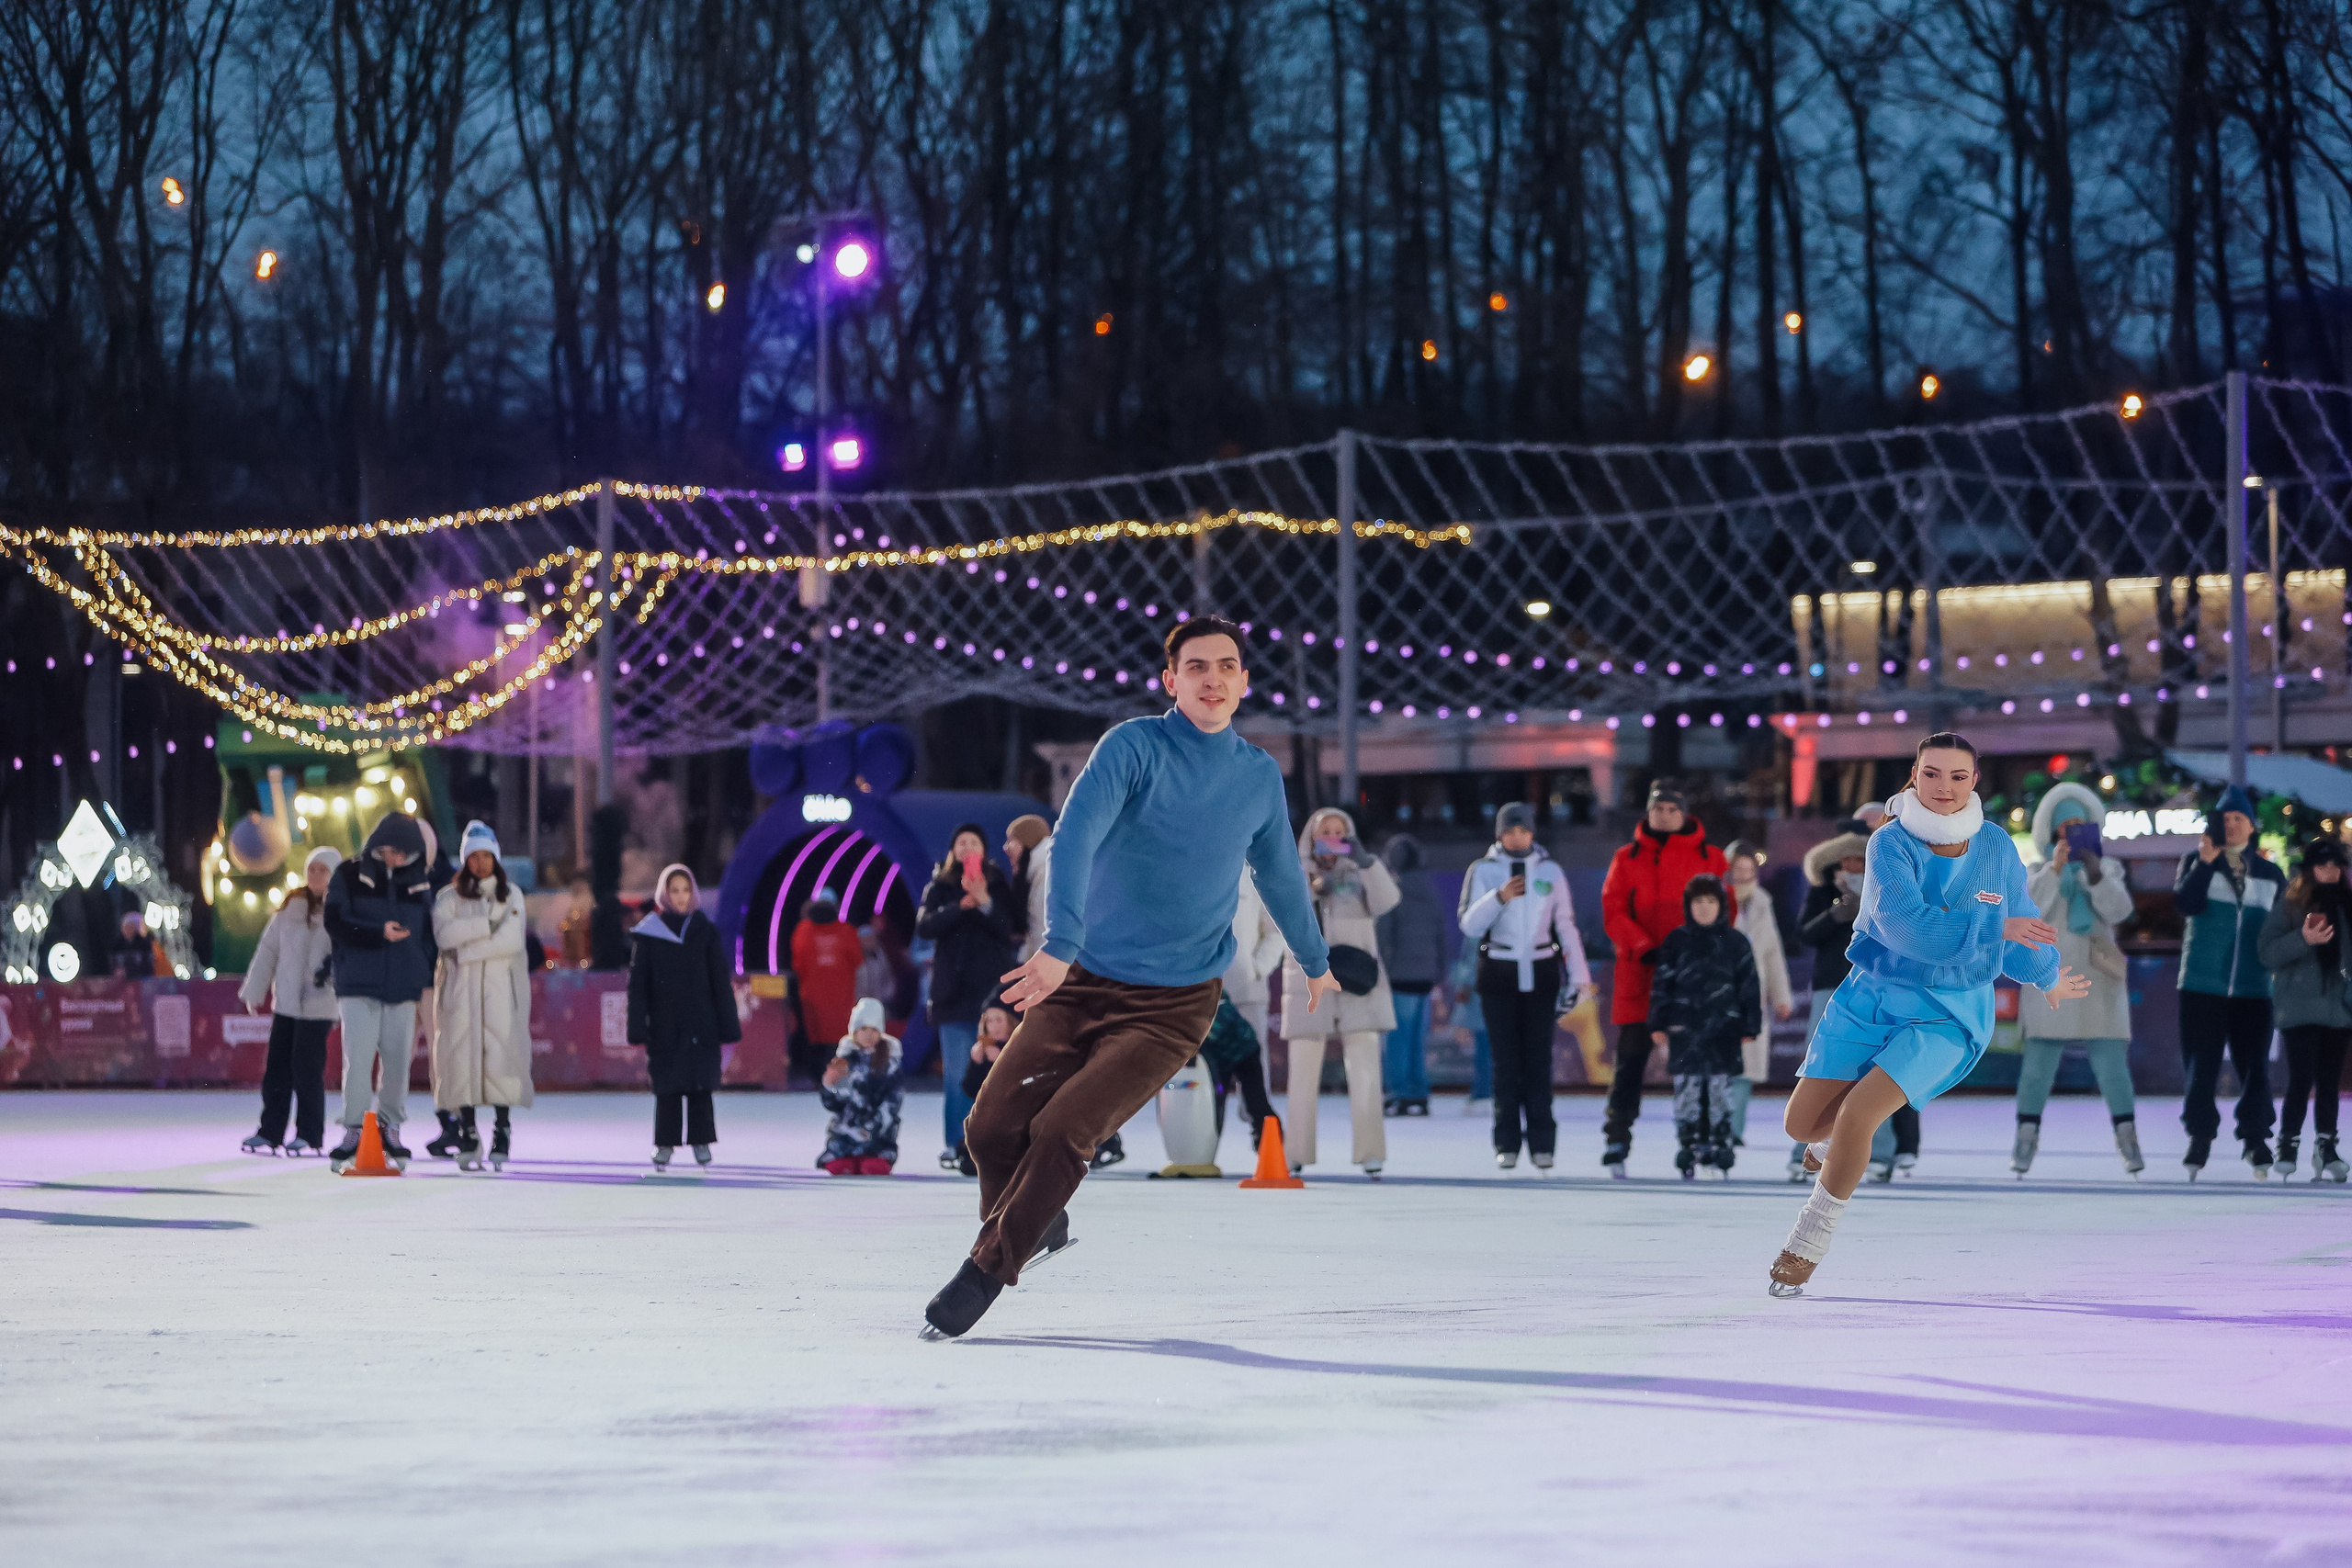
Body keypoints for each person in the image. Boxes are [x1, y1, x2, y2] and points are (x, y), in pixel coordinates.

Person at [921, 615, 1336, 1339]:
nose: (1213, 678)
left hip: (1173, 1007)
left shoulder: (1256, 776)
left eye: (1227, 666)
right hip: (1080, 978)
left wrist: (1315, 958)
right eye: (1197, 667)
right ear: (1170, 680)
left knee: (1062, 1129)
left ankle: (986, 1269)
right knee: (988, 1129)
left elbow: (1278, 872)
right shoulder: (1134, 747)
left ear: (1243, 680)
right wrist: (1061, 942)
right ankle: (1039, 1220)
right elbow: (1075, 835)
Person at [1769, 734, 2087, 1297]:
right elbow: (1906, 929)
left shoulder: (1994, 846)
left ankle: (1806, 1245)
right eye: (1933, 774)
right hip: (1873, 995)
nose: (1945, 787)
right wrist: (1995, 929)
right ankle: (1831, 1145)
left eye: (1958, 777)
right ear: (1914, 777)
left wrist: (2047, 975)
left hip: (1950, 1012)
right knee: (1801, 1125)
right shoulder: (1889, 844)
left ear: (1974, 782)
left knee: (1857, 1118)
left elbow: (2023, 922)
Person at [2011, 783, 2142, 1178]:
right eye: (2065, 825)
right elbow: (2030, 914)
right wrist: (2055, 871)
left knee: (2112, 1066)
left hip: (2098, 980)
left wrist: (2095, 872)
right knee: (2037, 1068)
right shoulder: (2034, 872)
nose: (2071, 832)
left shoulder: (2109, 868)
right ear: (2051, 831)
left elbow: (2119, 912)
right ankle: (2025, 1140)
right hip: (2050, 977)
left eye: (2079, 825)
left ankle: (2128, 1139)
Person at [1600, 780, 1727, 1171]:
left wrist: (1697, 953)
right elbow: (1613, 909)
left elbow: (1726, 911)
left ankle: (1701, 1138)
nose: (1665, 815)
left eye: (1673, 809)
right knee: (1630, 1061)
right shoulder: (1627, 857)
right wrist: (1642, 945)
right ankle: (1617, 1136)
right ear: (1648, 812)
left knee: (1699, 1064)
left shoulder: (1711, 856)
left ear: (1684, 812)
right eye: (1659, 809)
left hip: (1694, 980)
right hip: (1641, 975)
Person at [1458, 802, 1593, 1169]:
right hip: (1498, 973)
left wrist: (1580, 976)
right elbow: (1469, 924)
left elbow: (1565, 924)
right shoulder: (1483, 870)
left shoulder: (1550, 870)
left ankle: (1542, 1143)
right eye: (1509, 830)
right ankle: (1507, 1142)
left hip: (1541, 970)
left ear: (1533, 832)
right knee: (1505, 1063)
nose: (1517, 837)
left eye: (1523, 830)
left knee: (1537, 1061)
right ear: (1499, 834)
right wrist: (1499, 897)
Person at [2173, 784, 2285, 1178]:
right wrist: (2205, 863)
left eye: (2239, 819)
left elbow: (2280, 928)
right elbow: (2186, 905)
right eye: (2225, 819)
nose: (2232, 825)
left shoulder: (2271, 874)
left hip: (2254, 988)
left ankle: (2256, 1140)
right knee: (2200, 1067)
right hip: (2202, 985)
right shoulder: (2195, 861)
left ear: (2252, 827)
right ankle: (2199, 1137)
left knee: (2255, 1067)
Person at [1282, 807, 1399, 1178]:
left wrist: (1367, 864)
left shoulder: (1360, 873)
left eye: (1340, 830)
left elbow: (1388, 902)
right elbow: (1279, 915)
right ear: (1311, 836)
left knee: (1365, 1071)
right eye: (1325, 830)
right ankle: (1296, 1152)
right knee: (1301, 1072)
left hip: (1356, 980)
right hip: (1309, 982)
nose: (1333, 836)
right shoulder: (1294, 873)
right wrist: (1313, 892)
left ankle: (1370, 1153)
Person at [323, 813, 436, 1172]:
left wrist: (425, 972)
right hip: (358, 984)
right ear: (379, 845)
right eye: (393, 851)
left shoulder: (418, 883)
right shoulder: (347, 874)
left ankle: (390, 1127)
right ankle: (354, 1129)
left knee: (398, 1062)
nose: (398, 859)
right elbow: (334, 922)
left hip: (402, 985)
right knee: (358, 1061)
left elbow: (428, 935)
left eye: (405, 854)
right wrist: (377, 932)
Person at [430, 821, 534, 1172]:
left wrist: (469, 949)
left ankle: (502, 1129)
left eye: (486, 855)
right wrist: (484, 926)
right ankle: (468, 1132)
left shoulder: (511, 895)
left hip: (500, 994)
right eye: (473, 856)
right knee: (463, 1062)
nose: (480, 863)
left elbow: (512, 941)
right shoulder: (448, 897)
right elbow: (445, 936)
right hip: (460, 995)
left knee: (500, 1060)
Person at [917, 825, 1020, 1172]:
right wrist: (960, 906)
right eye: (961, 842)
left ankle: (992, 1143)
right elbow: (925, 927)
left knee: (998, 1073)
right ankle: (956, 1144)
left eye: (974, 842)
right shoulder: (939, 887)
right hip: (952, 996)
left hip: (991, 999)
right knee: (957, 1075)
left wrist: (986, 900)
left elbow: (1009, 929)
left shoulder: (998, 885)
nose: (967, 847)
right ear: (952, 850)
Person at [626, 863, 741, 1171]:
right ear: (664, 894)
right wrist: (638, 1025)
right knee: (667, 1087)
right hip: (665, 1025)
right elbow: (638, 986)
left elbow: (719, 980)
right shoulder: (650, 933)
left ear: (693, 893)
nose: (680, 896)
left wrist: (727, 1023)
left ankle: (701, 1141)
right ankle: (665, 1143)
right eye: (674, 890)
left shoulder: (705, 932)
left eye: (685, 889)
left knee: (700, 1085)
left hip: (701, 1023)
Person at [1646, 874, 1760, 1179]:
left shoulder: (1736, 942)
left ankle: (1723, 1138)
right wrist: (1657, 1021)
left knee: (1721, 1088)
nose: (1704, 908)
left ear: (1721, 905)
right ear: (1688, 905)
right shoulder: (1676, 941)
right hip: (1685, 1030)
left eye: (1710, 901)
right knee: (1688, 1088)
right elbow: (1662, 985)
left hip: (1725, 1029)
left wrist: (1751, 1023)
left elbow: (1749, 985)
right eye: (1698, 901)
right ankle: (1688, 1140)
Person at [2257, 837, 2352, 1182]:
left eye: (2335, 865)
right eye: (2322, 865)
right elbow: (2267, 952)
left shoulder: (2347, 905)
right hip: (2298, 1006)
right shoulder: (2291, 904)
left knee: (2329, 1082)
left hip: (2339, 1008)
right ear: (2310, 868)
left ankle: (2326, 1147)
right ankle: (2288, 1143)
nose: (2329, 872)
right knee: (2301, 1078)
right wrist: (2304, 939)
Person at [239, 847, 341, 1156]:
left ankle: (309, 1134)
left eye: (322, 870)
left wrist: (332, 975)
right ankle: (270, 1131)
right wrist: (255, 990)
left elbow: (348, 952)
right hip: (286, 1003)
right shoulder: (291, 909)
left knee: (307, 1069)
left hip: (319, 1004)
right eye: (312, 869)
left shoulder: (340, 910)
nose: (315, 875)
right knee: (277, 1068)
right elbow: (268, 950)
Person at [1722, 840, 1792, 1145]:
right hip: (1720, 993)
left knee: (1746, 1067)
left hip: (1752, 994)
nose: (1744, 875)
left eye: (1749, 869)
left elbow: (1772, 952)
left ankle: (1734, 1131)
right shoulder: (1715, 901)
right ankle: (1714, 1128)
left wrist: (1782, 995)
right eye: (1738, 868)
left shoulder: (1762, 902)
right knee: (1719, 1066)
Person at [1376, 833, 1447, 1116]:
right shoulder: (1430, 892)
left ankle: (1398, 1091)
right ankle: (1419, 1092)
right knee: (1417, 1039)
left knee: (1397, 1039)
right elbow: (1440, 936)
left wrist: (1382, 968)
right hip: (1425, 978)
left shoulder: (1394, 892)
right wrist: (1438, 972)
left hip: (1399, 976)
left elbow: (1384, 936)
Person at [820, 997, 904, 1175]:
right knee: (838, 1167)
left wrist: (872, 1128)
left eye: (874, 1029)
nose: (868, 1034)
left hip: (877, 1133)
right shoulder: (844, 1062)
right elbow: (834, 1105)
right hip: (847, 1134)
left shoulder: (889, 1065)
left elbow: (892, 1102)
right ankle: (848, 1156)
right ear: (854, 1031)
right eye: (863, 1029)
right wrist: (828, 1085)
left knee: (873, 1167)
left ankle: (873, 1156)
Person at [791, 888, 865, 1053]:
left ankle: (819, 1076)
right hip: (842, 1000)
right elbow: (858, 962)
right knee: (841, 1041)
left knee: (816, 1042)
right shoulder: (847, 931)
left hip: (812, 999)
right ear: (836, 906)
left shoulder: (802, 931)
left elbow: (798, 966)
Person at [1448, 941, 1492, 1114]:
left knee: (1485, 1047)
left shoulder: (1477, 928)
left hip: (1483, 993)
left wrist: (1462, 983)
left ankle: (1483, 1093)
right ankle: (1485, 1091)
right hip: (1499, 993)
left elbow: (1471, 961)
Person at [1006, 815, 1054, 960]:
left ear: (1027, 841)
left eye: (1011, 840)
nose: (1006, 847)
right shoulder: (1039, 873)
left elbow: (1045, 933)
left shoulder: (1047, 876)